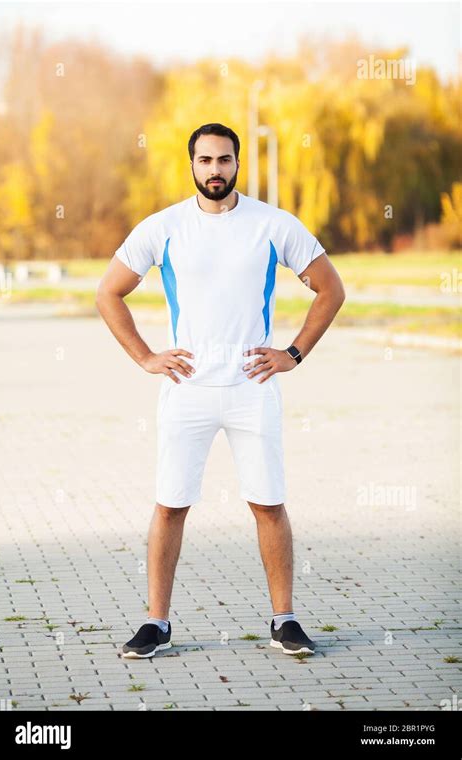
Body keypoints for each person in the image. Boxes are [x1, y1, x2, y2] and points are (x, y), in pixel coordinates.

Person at [96, 122, 345, 659]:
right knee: (169, 506)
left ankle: (285, 620)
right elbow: (109, 293)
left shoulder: (273, 225)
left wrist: (293, 354)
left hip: (252, 388)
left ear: (237, 164)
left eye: (224, 160)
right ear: (192, 165)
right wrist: (145, 357)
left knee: (268, 504)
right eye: (205, 160)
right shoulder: (163, 228)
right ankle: (156, 625)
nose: (215, 170)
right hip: (186, 389)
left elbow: (331, 288)